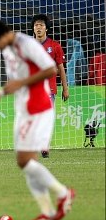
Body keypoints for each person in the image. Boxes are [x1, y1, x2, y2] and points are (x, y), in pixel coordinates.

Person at [0, 18, 76, 220]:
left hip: (38, 108)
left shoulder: (27, 44)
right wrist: (0, 92)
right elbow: (16, 80)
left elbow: (51, 70)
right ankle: (47, 211)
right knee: (27, 162)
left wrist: (21, 83)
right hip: (23, 110)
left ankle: (63, 193)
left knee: (24, 160)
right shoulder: (7, 50)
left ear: (1, 36)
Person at [31, 14, 69, 158]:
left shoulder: (55, 46)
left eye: (41, 25)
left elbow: (61, 68)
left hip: (49, 89)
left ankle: (44, 148)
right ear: (33, 29)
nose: (38, 27)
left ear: (46, 28)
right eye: (36, 25)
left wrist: (65, 88)